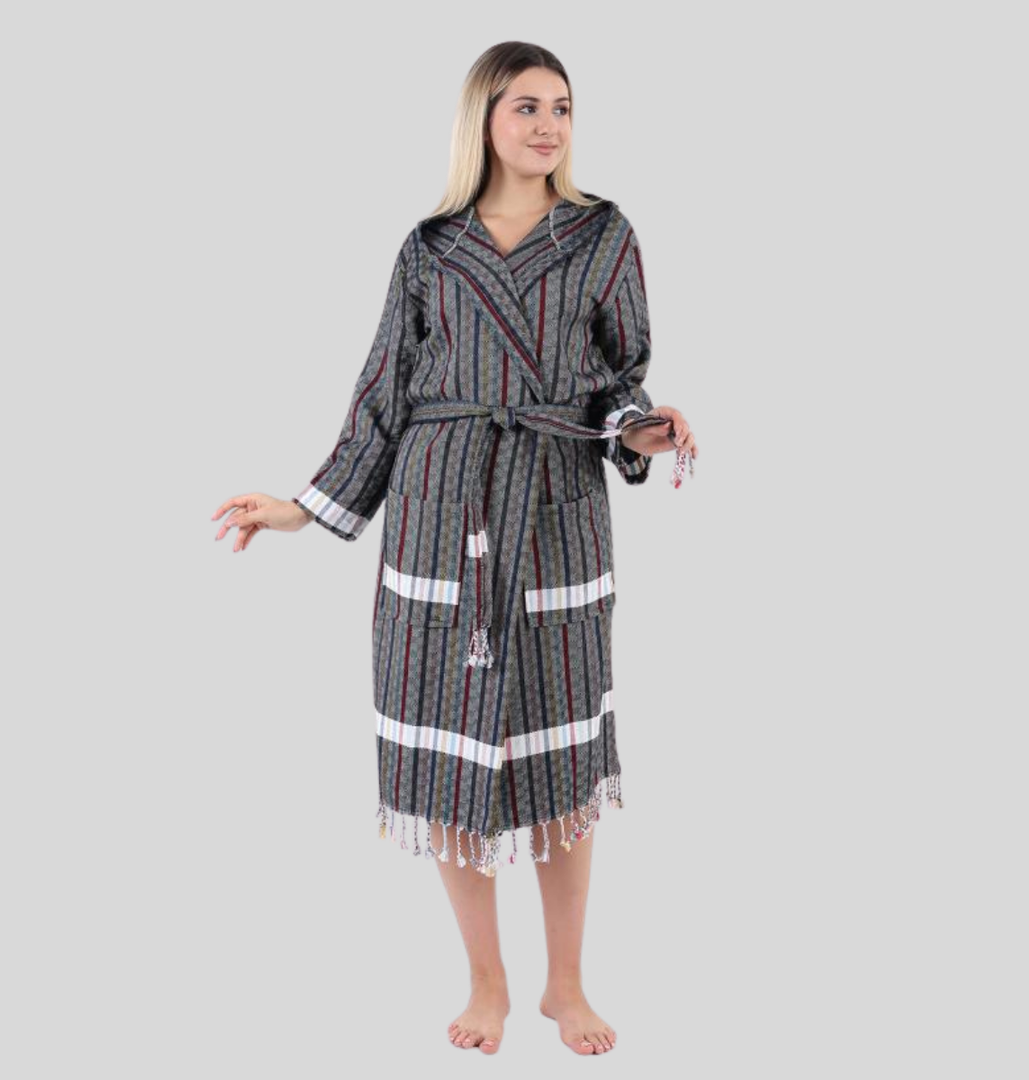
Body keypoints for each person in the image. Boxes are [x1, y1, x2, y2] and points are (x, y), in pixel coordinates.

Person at [212, 41, 698, 1056]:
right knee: (447, 750)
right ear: (483, 117)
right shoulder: (430, 248)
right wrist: (299, 508)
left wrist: (643, 430)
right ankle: (488, 981)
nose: (547, 125)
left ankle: (567, 985)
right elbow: (383, 394)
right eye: (526, 106)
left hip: (555, 507)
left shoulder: (602, 233)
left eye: (562, 108)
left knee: (562, 753)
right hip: (439, 510)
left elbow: (621, 381)